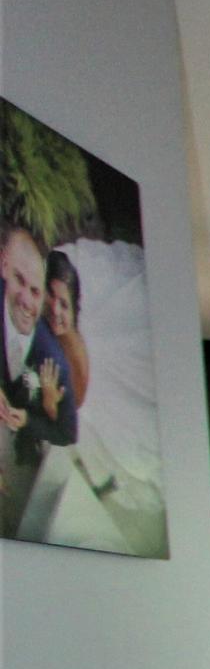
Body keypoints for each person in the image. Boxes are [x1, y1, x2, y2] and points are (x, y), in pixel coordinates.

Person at [0, 221, 78, 538]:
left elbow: (66, 432)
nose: (26, 301)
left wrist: (27, 419)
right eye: (19, 280)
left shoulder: (53, 362)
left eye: (35, 291)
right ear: (3, 265)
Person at [42, 247, 89, 423]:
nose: (55, 309)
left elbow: (67, 416)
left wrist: (50, 402)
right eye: (51, 295)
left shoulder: (75, 358)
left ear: (73, 310)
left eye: (63, 304)